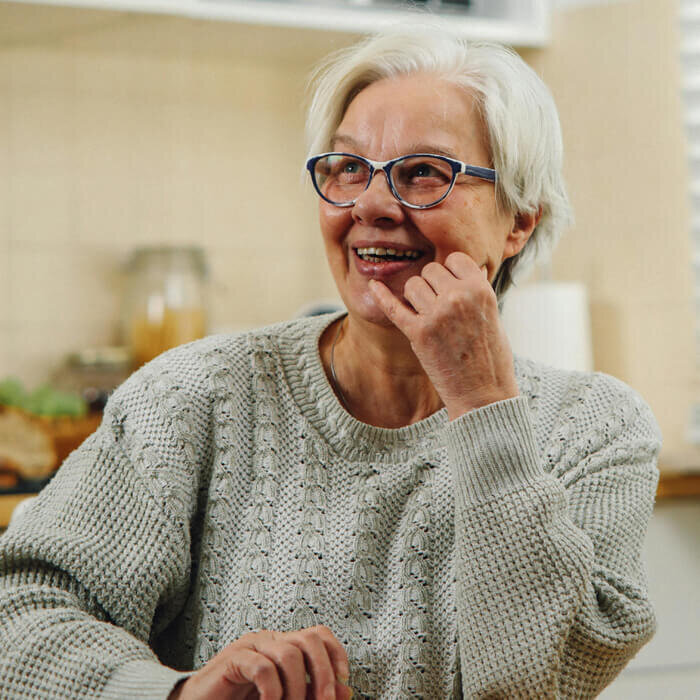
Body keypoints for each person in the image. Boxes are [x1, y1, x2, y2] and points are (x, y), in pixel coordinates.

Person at [0, 24, 661, 700]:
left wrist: (483, 404)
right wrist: (175, 694)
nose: (370, 204)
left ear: (519, 219)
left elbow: (539, 682)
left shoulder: (594, 429)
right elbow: (22, 615)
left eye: (424, 173)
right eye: (348, 168)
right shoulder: (192, 397)